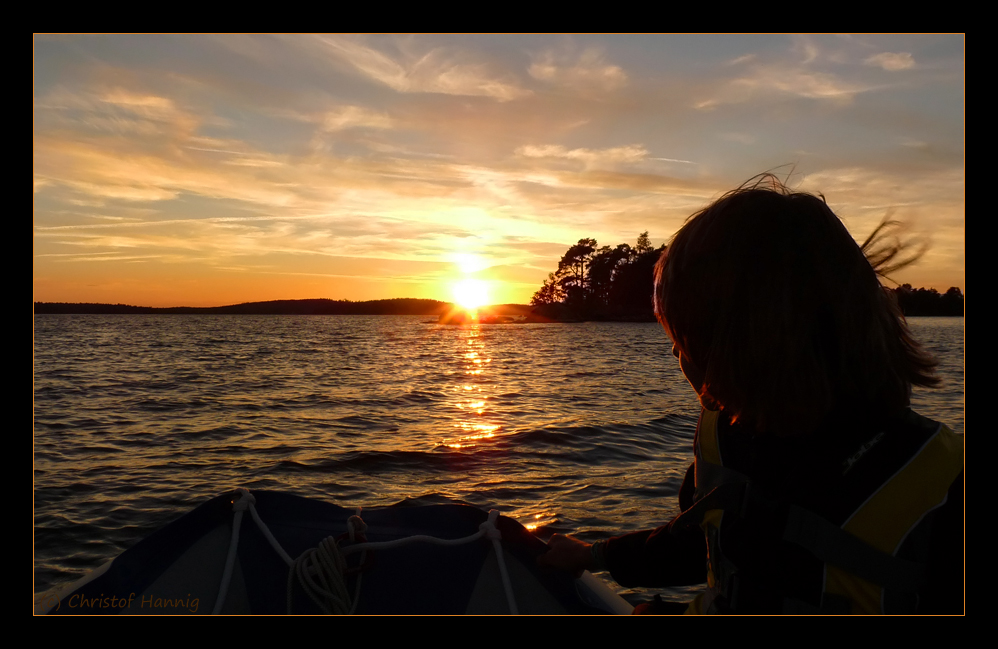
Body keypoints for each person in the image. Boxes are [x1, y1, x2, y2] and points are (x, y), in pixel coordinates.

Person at [538, 175, 964, 614]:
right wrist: (594, 555)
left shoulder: (948, 489)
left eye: (684, 340)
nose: (674, 352)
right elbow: (706, 545)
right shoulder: (727, 437)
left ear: (736, 347)